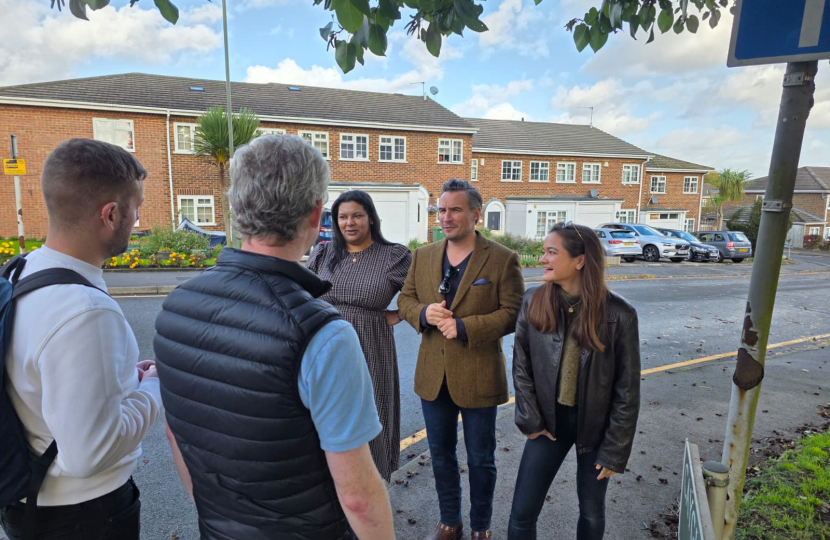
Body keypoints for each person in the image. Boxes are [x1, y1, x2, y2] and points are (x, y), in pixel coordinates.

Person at [153, 134, 395, 540]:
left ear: (237, 208)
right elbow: (358, 497)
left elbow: (176, 434)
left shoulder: (176, 307)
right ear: (317, 213)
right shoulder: (323, 334)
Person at [0, 138, 160, 540]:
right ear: (110, 214)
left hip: (31, 500)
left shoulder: (20, 270)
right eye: (135, 209)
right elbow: (92, 454)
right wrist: (154, 390)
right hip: (81, 516)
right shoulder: (85, 310)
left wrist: (127, 384)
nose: (136, 219)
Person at [398, 179, 524, 540]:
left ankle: (481, 528)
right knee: (440, 456)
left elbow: (513, 313)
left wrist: (466, 327)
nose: (446, 217)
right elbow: (406, 300)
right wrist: (424, 314)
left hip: (479, 375)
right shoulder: (423, 255)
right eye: (441, 209)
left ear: (476, 214)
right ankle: (449, 521)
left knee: (482, 460)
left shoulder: (502, 259)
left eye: (455, 209)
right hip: (432, 376)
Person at [508, 221, 641, 540]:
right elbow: (521, 366)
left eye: (552, 252)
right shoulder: (533, 300)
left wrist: (615, 450)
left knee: (592, 513)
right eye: (544, 251)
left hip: (596, 429)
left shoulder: (619, 314)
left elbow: (627, 389)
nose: (543, 259)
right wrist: (530, 419)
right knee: (521, 514)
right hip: (547, 423)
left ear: (580, 260)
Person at [307, 190, 412, 482]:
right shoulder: (324, 253)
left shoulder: (394, 255)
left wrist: (397, 313)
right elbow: (304, 295)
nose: (349, 222)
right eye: (343, 216)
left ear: (371, 219)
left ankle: (371, 487)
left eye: (357, 215)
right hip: (322, 346)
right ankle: (328, 489)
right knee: (324, 414)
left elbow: (418, 292)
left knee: (370, 411)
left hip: (370, 344)